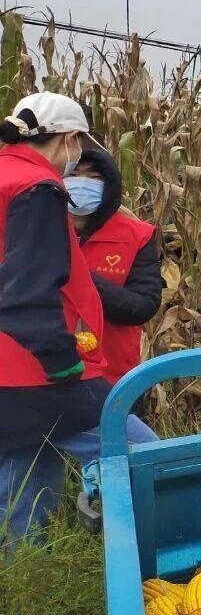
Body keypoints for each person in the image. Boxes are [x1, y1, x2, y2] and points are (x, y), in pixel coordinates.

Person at [0, 92, 113, 544]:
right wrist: (63, 363)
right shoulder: (36, 188)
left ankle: (27, 567)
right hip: (32, 370)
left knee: (25, 468)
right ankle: (170, 548)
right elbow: (27, 291)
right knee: (139, 451)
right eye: (79, 145)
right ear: (68, 138)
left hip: (8, 375)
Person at [67, 149, 163, 387]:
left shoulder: (137, 236)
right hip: (43, 374)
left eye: (94, 177)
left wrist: (80, 278)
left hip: (113, 376)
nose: (82, 184)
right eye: (73, 175)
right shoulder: (34, 229)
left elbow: (143, 306)